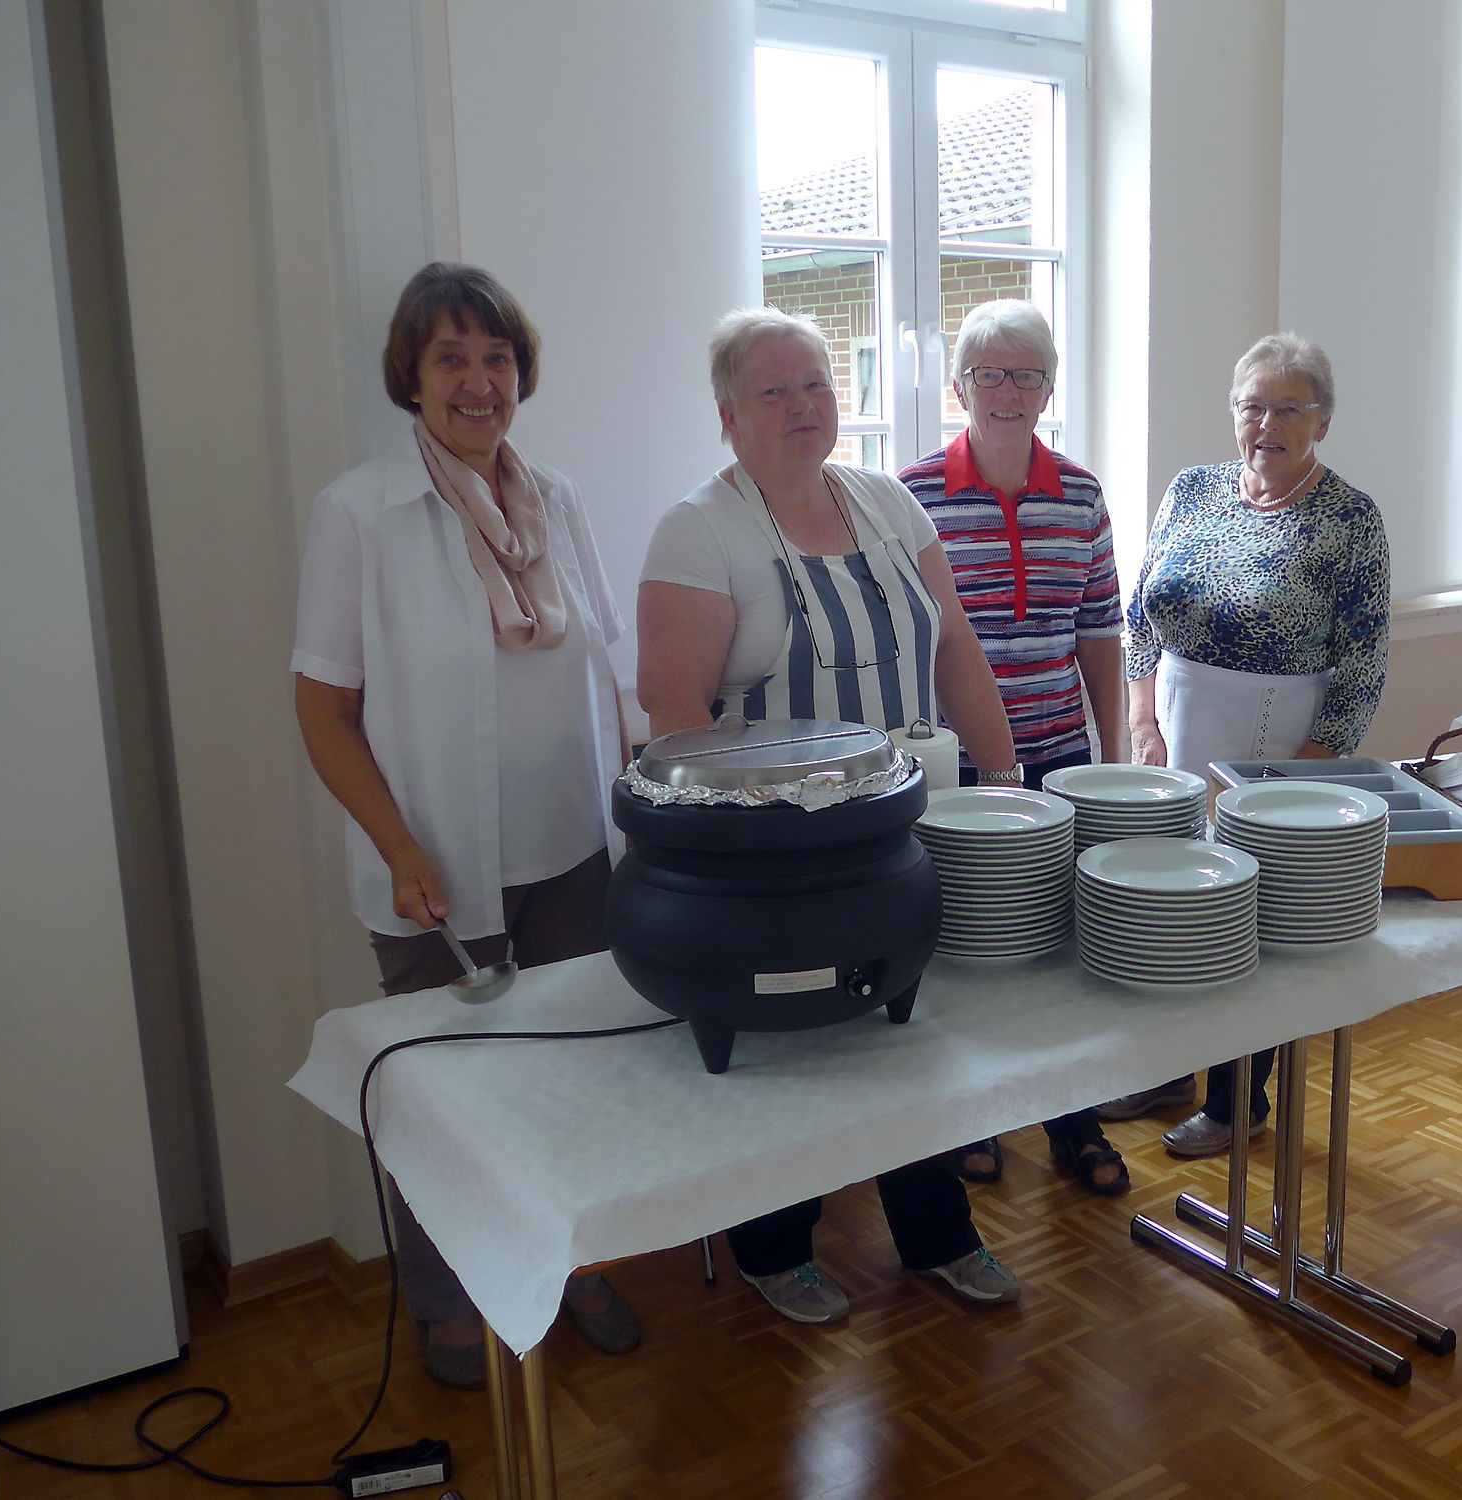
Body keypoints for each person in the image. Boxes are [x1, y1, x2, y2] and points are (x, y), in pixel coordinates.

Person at [636, 307, 1025, 1323]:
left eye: (815, 383)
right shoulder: (700, 530)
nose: (803, 405)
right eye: (774, 390)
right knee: (791, 1043)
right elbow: (672, 708)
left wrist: (1004, 780)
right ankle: (775, 1247)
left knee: (912, 1035)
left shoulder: (886, 502)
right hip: (779, 854)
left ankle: (939, 1235)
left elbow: (954, 649)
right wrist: (739, 848)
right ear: (728, 415)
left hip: (906, 827)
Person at [291, 263, 640, 1388]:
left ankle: (573, 1264)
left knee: (575, 1077)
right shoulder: (360, 512)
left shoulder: (561, 501)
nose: (478, 381)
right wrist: (398, 847)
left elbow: (607, 677)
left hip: (571, 852)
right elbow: (323, 709)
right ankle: (448, 1303)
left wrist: (641, 805)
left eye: (496, 358)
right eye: (452, 358)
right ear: (413, 374)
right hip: (432, 868)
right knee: (443, 1099)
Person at [1099, 332, 1390, 1157]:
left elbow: (1365, 662)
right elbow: (1139, 614)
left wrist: (1305, 774)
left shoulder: (1350, 519)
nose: (1267, 424)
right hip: (1176, 723)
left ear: (1322, 422)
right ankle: (1165, 1069)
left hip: (1278, 740)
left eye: (1288, 409)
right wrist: (1142, 720)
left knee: (1249, 918)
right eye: (1252, 406)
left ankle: (1237, 1102)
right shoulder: (1192, 489)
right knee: (1169, 900)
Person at [897, 299, 1130, 1198]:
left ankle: (1074, 1119)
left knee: (1062, 951)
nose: (1008, 390)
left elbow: (1100, 635)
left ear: (1048, 391)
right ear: (960, 387)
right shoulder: (911, 495)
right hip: (955, 771)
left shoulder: (1081, 495)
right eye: (989, 373)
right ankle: (974, 1117)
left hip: (1060, 760)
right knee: (968, 949)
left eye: (1026, 374)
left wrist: (1113, 753)